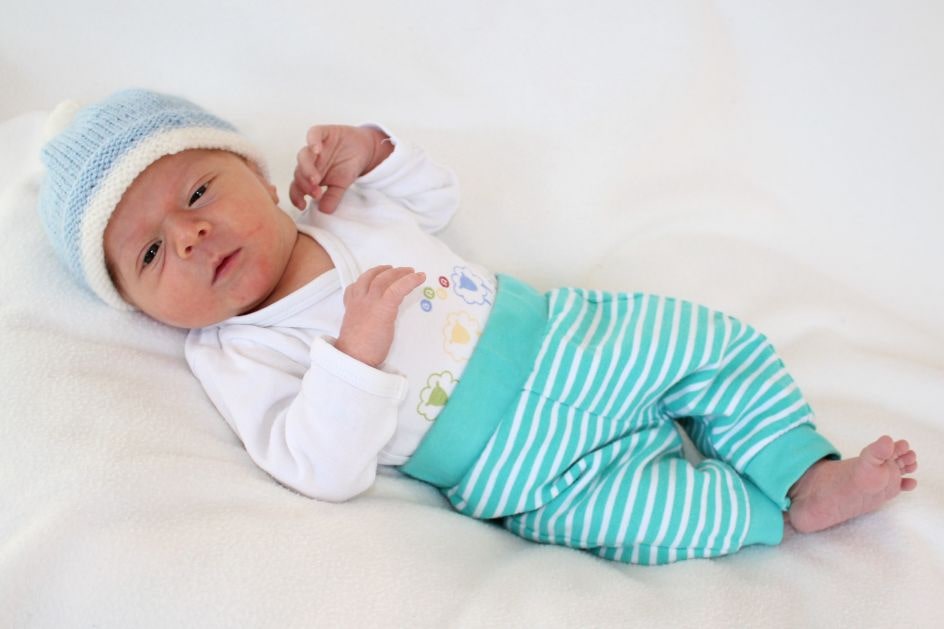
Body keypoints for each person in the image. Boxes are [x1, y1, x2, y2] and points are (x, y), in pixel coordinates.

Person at [37, 89, 918, 565]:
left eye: (198, 192)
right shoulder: (236, 353)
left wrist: (374, 152)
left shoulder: (338, 211)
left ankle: (799, 465)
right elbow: (316, 466)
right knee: (646, 515)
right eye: (149, 254)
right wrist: (354, 354)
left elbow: (437, 199)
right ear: (145, 310)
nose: (190, 236)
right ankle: (773, 513)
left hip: (574, 340)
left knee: (718, 348)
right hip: (520, 468)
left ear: (261, 178)